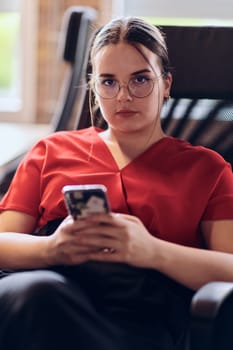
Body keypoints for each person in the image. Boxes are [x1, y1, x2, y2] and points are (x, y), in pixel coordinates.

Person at [0, 16, 233, 350]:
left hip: (140, 315)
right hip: (44, 288)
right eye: (108, 82)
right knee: (35, 296)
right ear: (94, 88)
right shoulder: (51, 150)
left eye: (140, 80)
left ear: (166, 84)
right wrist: (52, 248)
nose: (123, 95)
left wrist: (152, 252)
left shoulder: (207, 169)